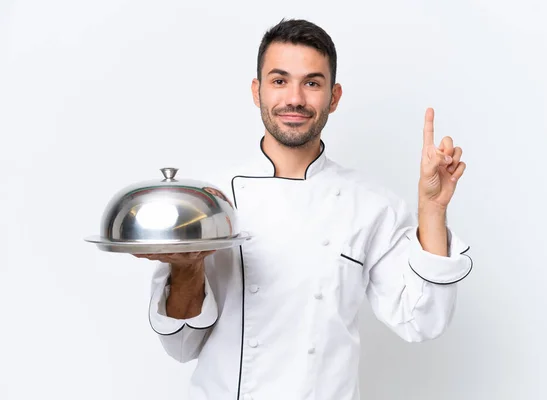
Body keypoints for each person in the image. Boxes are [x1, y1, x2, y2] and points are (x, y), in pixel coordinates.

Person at [135, 18, 473, 400]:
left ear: (334, 96)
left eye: (312, 83)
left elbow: (422, 321)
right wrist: (187, 267)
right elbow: (181, 346)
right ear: (256, 90)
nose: (294, 98)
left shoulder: (371, 205)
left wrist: (431, 209)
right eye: (279, 81)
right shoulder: (209, 203)